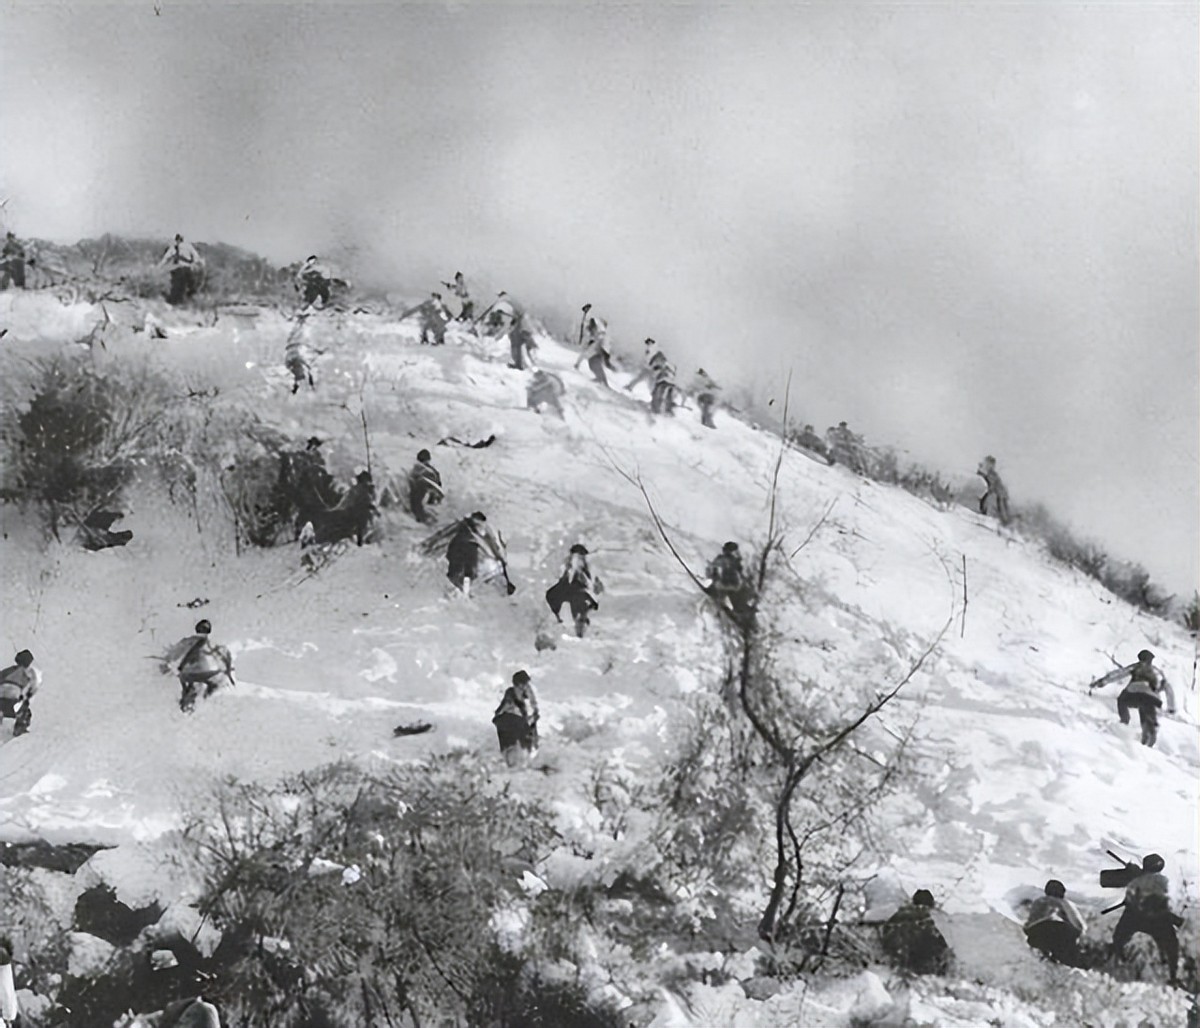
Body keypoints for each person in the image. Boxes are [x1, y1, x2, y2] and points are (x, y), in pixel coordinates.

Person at [1110, 853, 1182, 985]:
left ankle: (1117, 960)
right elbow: (1170, 903)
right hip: (1159, 920)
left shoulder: (1135, 881)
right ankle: (1173, 975)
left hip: (1135, 918)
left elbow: (1129, 900)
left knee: (1119, 937)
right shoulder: (1165, 881)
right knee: (1172, 945)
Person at [1089, 649, 1176, 748]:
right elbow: (1167, 687)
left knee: (1122, 701)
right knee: (1146, 709)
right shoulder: (1158, 672)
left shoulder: (1136, 667)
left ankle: (1124, 722)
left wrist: (1101, 682)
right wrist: (1171, 707)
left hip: (1133, 693)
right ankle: (1149, 732)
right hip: (1152, 698)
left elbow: (1118, 674)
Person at [160, 620, 235, 714]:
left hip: (190, 673)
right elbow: (226, 656)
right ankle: (208, 700)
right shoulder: (214, 643)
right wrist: (228, 673)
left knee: (186, 681)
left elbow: (174, 654)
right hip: (211, 672)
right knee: (215, 684)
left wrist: (165, 663)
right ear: (209, 631)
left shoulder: (188, 641)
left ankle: (187, 702)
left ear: (196, 629)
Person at [881, 889, 951, 975]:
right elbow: (939, 945)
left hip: (897, 966)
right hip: (912, 968)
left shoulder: (898, 917)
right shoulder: (922, 922)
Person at [545, 544, 602, 635]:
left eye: (580, 556)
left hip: (577, 591)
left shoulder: (586, 569)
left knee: (579, 605)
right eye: (576, 556)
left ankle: (577, 623)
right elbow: (561, 576)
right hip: (567, 588)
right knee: (551, 596)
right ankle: (558, 618)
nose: (577, 559)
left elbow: (590, 583)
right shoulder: (567, 565)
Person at [446, 511, 508, 597]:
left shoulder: (478, 537)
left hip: (478, 569)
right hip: (469, 570)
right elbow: (468, 571)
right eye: (479, 526)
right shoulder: (469, 542)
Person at [1023, 879, 1084, 965]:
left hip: (1036, 933)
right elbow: (1078, 926)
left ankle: (1045, 955)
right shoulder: (1064, 903)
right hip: (1060, 932)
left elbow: (1028, 925)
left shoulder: (1038, 902)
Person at [493, 670, 539, 768]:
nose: (524, 686)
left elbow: (533, 706)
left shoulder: (523, 692)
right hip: (514, 722)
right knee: (520, 741)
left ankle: (512, 760)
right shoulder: (513, 693)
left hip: (511, 722)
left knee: (513, 742)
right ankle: (515, 760)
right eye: (523, 684)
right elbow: (504, 706)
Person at [706, 542, 755, 619]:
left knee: (718, 593)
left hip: (722, 585)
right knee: (737, 599)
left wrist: (712, 577)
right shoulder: (736, 561)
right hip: (735, 586)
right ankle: (740, 613)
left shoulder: (720, 559)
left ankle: (719, 609)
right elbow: (741, 573)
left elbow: (712, 570)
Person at [0, 650, 41, 737]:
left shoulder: (7, 671)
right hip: (13, 700)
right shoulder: (28, 673)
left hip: (1, 699)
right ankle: (20, 728)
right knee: (25, 711)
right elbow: (33, 687)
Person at [158, 233, 203, 305]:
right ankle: (186, 302)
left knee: (176, 287)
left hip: (179, 269)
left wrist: (159, 266)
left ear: (177, 240)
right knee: (188, 287)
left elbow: (166, 258)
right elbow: (196, 258)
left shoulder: (175, 247)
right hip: (188, 269)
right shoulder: (189, 247)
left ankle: (174, 302)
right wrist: (194, 265)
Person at [574, 316, 615, 387]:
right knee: (595, 368)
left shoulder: (598, 337)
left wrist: (578, 363)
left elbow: (586, 352)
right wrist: (578, 363)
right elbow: (585, 352)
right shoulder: (592, 339)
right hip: (595, 354)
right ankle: (601, 381)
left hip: (598, 353)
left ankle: (602, 382)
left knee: (596, 367)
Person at [407, 449, 444, 524]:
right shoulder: (432, 471)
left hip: (416, 493)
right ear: (429, 459)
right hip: (426, 492)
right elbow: (438, 485)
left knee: (416, 508)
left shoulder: (413, 470)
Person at [284, 312, 317, 394]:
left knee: (297, 332)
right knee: (301, 332)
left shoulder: (290, 364)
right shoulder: (296, 364)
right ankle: (302, 319)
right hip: (298, 344)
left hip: (294, 344)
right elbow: (309, 373)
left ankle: (300, 319)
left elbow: (307, 373)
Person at [976, 455, 1012, 526]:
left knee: (1001, 509)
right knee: (985, 502)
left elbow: (993, 483)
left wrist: (989, 491)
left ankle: (1005, 523)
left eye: (987, 463)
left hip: (1000, 494)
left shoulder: (992, 473)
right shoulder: (990, 473)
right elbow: (987, 478)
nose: (985, 465)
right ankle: (984, 514)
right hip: (999, 493)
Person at [505, 303, 538, 370]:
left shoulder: (521, 319)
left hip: (518, 336)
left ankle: (521, 365)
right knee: (515, 349)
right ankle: (518, 364)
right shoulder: (516, 319)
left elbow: (522, 327)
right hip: (515, 336)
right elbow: (512, 326)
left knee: (519, 350)